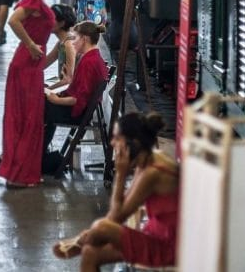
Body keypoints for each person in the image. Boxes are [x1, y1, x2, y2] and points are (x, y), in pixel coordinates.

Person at [53, 112, 179, 269]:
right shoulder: (147, 160)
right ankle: (85, 239)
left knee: (101, 227)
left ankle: (82, 240)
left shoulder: (153, 172)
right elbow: (119, 210)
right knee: (90, 253)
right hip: (153, 234)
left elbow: (116, 217)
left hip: (168, 246)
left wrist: (120, 174)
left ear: (134, 143)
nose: (112, 143)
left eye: (117, 138)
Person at [0, 0, 64, 188]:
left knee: (29, 118)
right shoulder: (34, 1)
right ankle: (19, 174)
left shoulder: (37, 0)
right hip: (26, 65)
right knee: (25, 118)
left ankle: (20, 171)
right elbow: (13, 21)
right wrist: (31, 44)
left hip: (31, 66)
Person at [42, 21, 110, 151]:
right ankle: (41, 152)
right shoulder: (94, 58)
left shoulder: (88, 62)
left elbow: (78, 99)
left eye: (76, 38)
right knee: (42, 102)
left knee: (39, 106)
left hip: (77, 114)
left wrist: (57, 99)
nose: (73, 42)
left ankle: (39, 153)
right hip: (83, 112)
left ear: (84, 39)